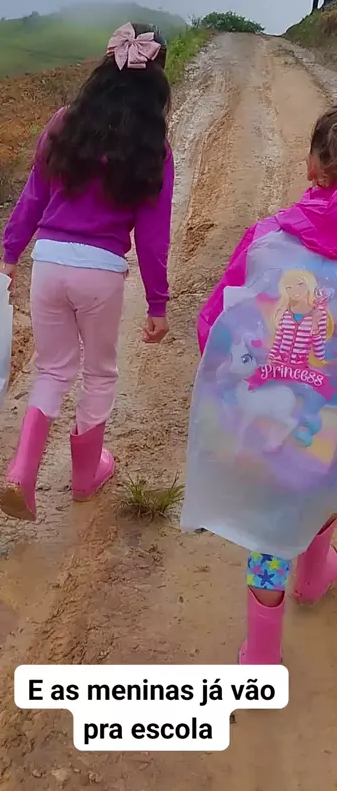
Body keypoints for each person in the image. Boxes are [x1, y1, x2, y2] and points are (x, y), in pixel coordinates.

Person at [0, 22, 174, 521]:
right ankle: (85, 475)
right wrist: (157, 303)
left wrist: (10, 256)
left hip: (49, 263)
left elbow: (33, 195)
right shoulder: (153, 146)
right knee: (99, 372)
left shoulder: (63, 123)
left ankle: (21, 471)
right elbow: (153, 235)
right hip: (100, 271)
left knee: (53, 369)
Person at [193, 106, 337, 664]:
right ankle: (315, 577)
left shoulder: (268, 239)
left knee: (269, 532)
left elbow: (215, 324)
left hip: (272, 415)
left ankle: (261, 656)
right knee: (325, 488)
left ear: (314, 166)